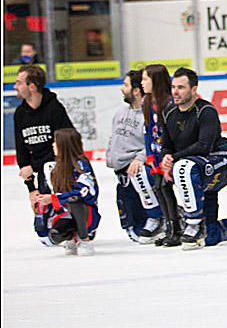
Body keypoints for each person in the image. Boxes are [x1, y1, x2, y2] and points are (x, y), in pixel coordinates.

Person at [162, 68, 227, 250]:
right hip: (191, 165)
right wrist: (166, 159)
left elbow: (204, 146)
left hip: (217, 159)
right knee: (210, 236)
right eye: (173, 87)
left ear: (193, 89)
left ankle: (193, 223)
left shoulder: (206, 110)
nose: (175, 92)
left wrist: (175, 160)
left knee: (183, 167)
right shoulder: (169, 112)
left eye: (181, 87)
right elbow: (167, 145)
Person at [13, 64, 75, 229]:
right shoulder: (20, 113)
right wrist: (31, 188)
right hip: (40, 175)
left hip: (59, 172)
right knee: (43, 232)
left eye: (19, 83)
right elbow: (22, 151)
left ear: (31, 86)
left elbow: (69, 143)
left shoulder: (54, 109)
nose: (15, 86)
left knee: (62, 228)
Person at [106, 70, 162, 242]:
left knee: (142, 228)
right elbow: (113, 138)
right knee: (132, 229)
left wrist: (140, 158)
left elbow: (155, 140)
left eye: (126, 85)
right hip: (121, 175)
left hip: (136, 172)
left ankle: (165, 218)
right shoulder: (120, 113)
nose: (122, 89)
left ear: (136, 90)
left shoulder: (151, 114)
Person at [34, 128, 100, 256]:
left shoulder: (81, 164)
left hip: (87, 213)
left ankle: (85, 239)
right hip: (65, 212)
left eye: (55, 142)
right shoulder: (52, 167)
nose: (53, 145)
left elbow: (84, 193)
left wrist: (55, 198)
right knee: (56, 235)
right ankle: (71, 238)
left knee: (74, 200)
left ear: (64, 145)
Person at [139, 64, 180, 245]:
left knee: (167, 187)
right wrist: (149, 155)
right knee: (160, 188)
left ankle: (177, 227)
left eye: (145, 79)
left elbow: (172, 135)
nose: (142, 83)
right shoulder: (147, 102)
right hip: (155, 154)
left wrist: (168, 157)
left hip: (168, 154)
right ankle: (170, 227)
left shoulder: (170, 104)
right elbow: (147, 131)